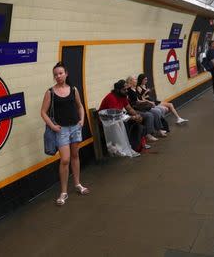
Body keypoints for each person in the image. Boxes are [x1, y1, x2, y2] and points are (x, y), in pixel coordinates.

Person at [40, 62, 88, 206]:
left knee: (75, 156)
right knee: (65, 159)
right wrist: (53, 126)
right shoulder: (50, 92)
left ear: (66, 74)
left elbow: (80, 106)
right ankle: (64, 192)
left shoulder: (73, 89)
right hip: (62, 130)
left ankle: (78, 184)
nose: (58, 76)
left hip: (75, 127)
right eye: (55, 74)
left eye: (60, 73)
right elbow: (43, 112)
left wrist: (82, 120)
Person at [99, 80, 148, 150]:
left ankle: (137, 145)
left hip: (117, 117)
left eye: (127, 89)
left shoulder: (123, 96)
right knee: (125, 124)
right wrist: (132, 117)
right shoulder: (111, 97)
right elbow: (115, 116)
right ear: (118, 90)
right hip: (107, 120)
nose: (126, 91)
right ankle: (128, 147)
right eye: (124, 89)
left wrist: (137, 116)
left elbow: (129, 109)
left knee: (141, 119)